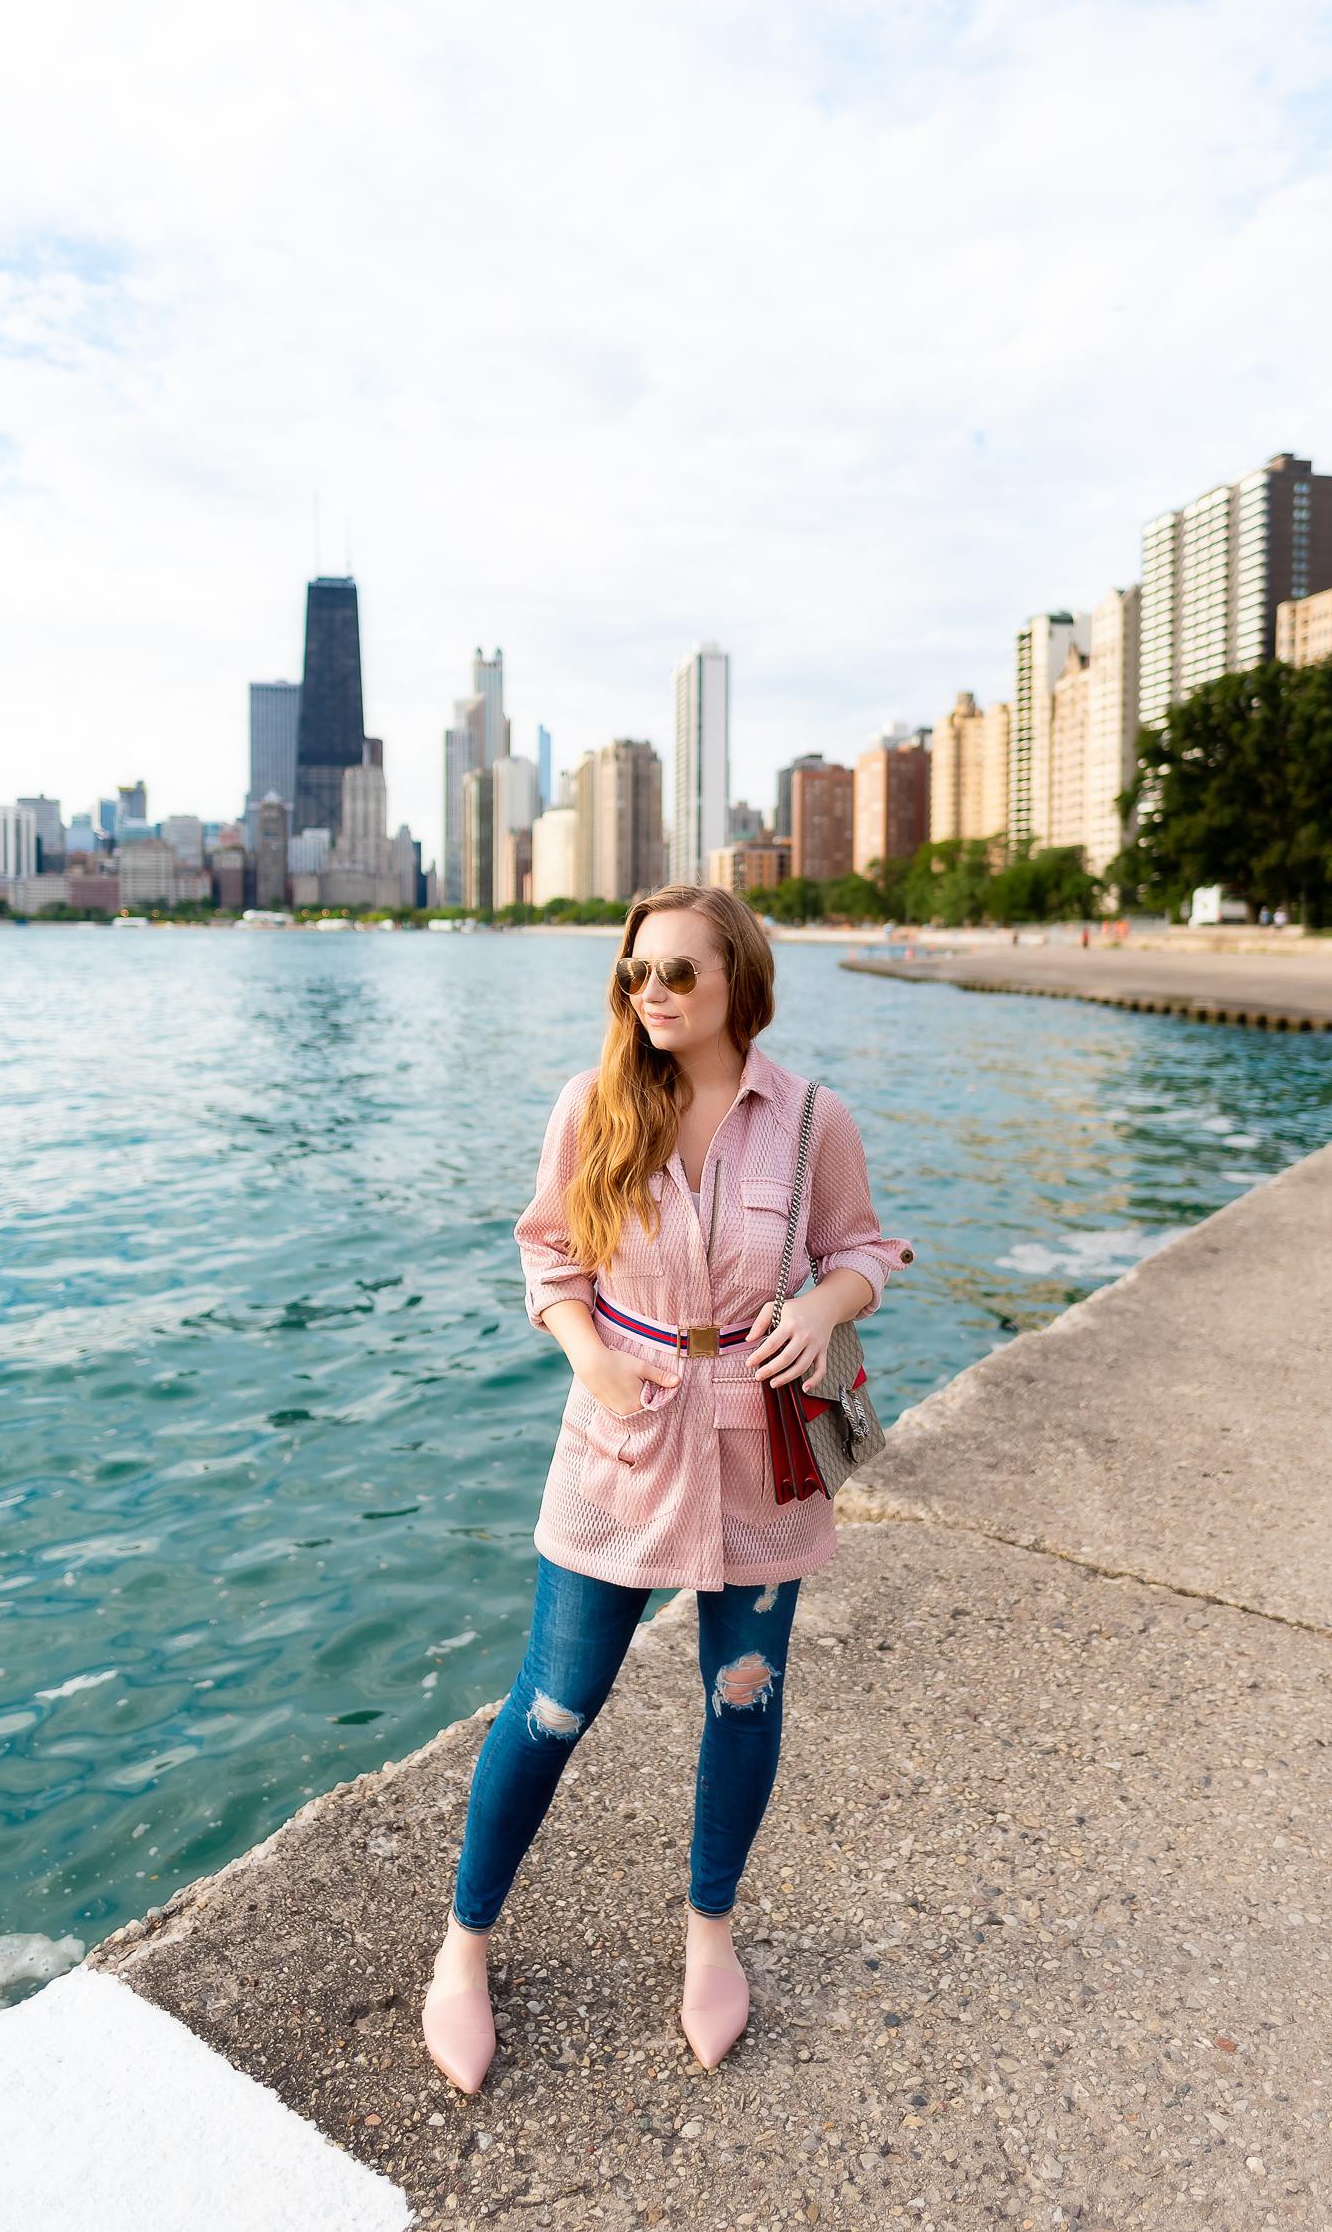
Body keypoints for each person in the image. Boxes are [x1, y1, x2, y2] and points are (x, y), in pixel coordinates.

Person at [420, 883, 914, 2093]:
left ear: (738, 983)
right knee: (552, 1705)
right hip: (621, 1444)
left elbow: (863, 1248)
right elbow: (549, 1250)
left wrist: (820, 1304)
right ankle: (463, 1947)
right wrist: (588, 1353)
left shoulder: (809, 1122)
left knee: (742, 1701)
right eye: (636, 971)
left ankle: (709, 1939)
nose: (650, 992)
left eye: (679, 973)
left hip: (759, 1450)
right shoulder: (592, 1107)